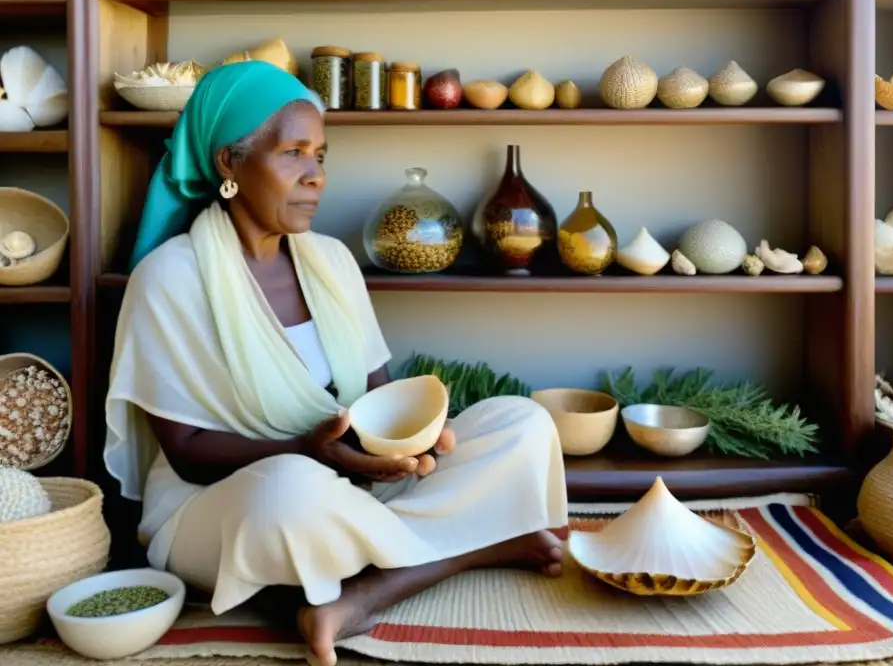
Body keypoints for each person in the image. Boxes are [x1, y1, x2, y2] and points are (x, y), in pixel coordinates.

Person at [103, 60, 569, 666]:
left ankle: (355, 587)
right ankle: (471, 548)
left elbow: (375, 396)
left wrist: (412, 444)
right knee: (291, 495)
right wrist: (306, 451)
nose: (315, 176)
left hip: (345, 478)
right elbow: (188, 452)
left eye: (320, 155)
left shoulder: (331, 261)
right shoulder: (169, 278)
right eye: (294, 153)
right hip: (233, 499)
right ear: (228, 163)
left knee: (521, 423)